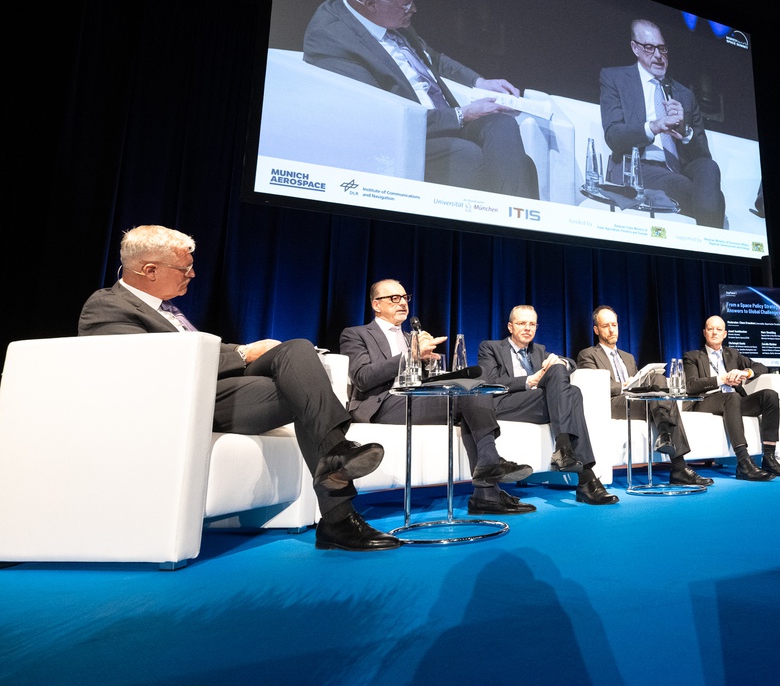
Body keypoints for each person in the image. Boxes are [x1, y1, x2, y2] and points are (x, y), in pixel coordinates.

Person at [78, 225, 400, 552]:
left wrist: (246, 349)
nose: (192, 274)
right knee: (301, 389)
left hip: (215, 391)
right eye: (184, 268)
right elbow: (154, 365)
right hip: (180, 403)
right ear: (149, 270)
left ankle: (337, 461)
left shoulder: (165, 309)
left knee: (297, 350)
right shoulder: (108, 306)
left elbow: (206, 350)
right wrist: (244, 354)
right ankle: (338, 516)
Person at [302, 0, 538, 198]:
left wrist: (479, 81)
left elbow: (433, 59)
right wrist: (461, 114)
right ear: (369, 3)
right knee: (503, 165)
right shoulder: (332, 37)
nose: (413, 9)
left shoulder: (392, 19)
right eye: (405, 4)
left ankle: (514, 221)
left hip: (446, 119)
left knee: (502, 124)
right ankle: (516, 228)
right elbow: (376, 117)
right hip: (409, 135)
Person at [339, 279, 535, 515]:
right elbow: (362, 377)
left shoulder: (413, 336)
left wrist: (431, 365)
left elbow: (419, 378)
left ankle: (486, 492)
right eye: (394, 298)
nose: (402, 302)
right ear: (376, 304)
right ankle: (489, 483)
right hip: (382, 403)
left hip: (416, 397)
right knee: (468, 394)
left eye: (404, 298)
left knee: (473, 387)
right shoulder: (356, 334)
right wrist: (410, 355)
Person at [478, 306, 619, 505]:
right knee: (573, 394)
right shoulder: (490, 347)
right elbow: (489, 382)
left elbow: (571, 364)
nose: (527, 328)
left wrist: (560, 361)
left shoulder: (539, 350)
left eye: (532, 324)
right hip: (506, 402)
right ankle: (586, 478)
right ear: (510, 326)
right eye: (521, 323)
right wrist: (529, 380)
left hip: (536, 404)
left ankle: (565, 450)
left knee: (569, 385)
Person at [599, 19, 725, 228]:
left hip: (677, 169)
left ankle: (708, 245)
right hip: (636, 165)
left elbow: (703, 155)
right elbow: (613, 135)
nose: (658, 55)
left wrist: (685, 132)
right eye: (649, 48)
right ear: (635, 48)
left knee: (709, 167)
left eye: (662, 49)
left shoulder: (684, 94)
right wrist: (654, 126)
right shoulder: (615, 78)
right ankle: (714, 249)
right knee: (709, 196)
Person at [576, 306, 713, 487]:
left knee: (658, 381)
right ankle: (679, 466)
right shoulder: (588, 354)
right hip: (611, 403)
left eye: (614, 325)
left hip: (636, 400)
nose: (611, 330)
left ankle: (665, 435)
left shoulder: (628, 357)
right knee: (663, 400)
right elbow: (593, 385)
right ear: (596, 330)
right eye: (606, 326)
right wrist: (624, 385)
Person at [682, 316, 780, 480]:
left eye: (719, 329)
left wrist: (746, 373)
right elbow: (691, 385)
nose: (714, 332)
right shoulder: (693, 356)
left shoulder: (733, 354)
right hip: (706, 402)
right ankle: (744, 462)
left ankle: (769, 457)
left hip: (734, 401)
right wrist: (722, 379)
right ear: (704, 332)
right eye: (711, 329)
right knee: (731, 397)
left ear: (725, 334)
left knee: (770, 396)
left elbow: (761, 367)